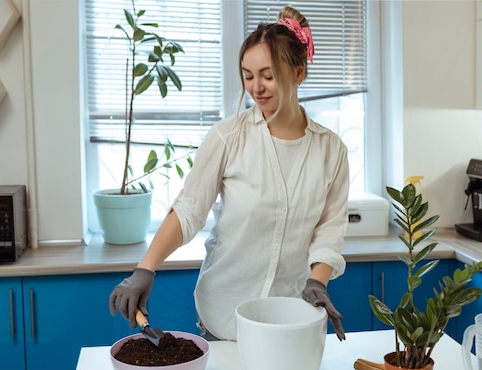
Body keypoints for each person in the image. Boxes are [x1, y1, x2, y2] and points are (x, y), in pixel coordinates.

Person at [109, 6, 349, 342]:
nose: (256, 87)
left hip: (292, 314)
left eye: (267, 75)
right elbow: (190, 209)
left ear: (299, 72)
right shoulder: (228, 137)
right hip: (225, 315)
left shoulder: (331, 150)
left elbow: (329, 230)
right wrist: (145, 268)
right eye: (248, 76)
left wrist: (317, 281)